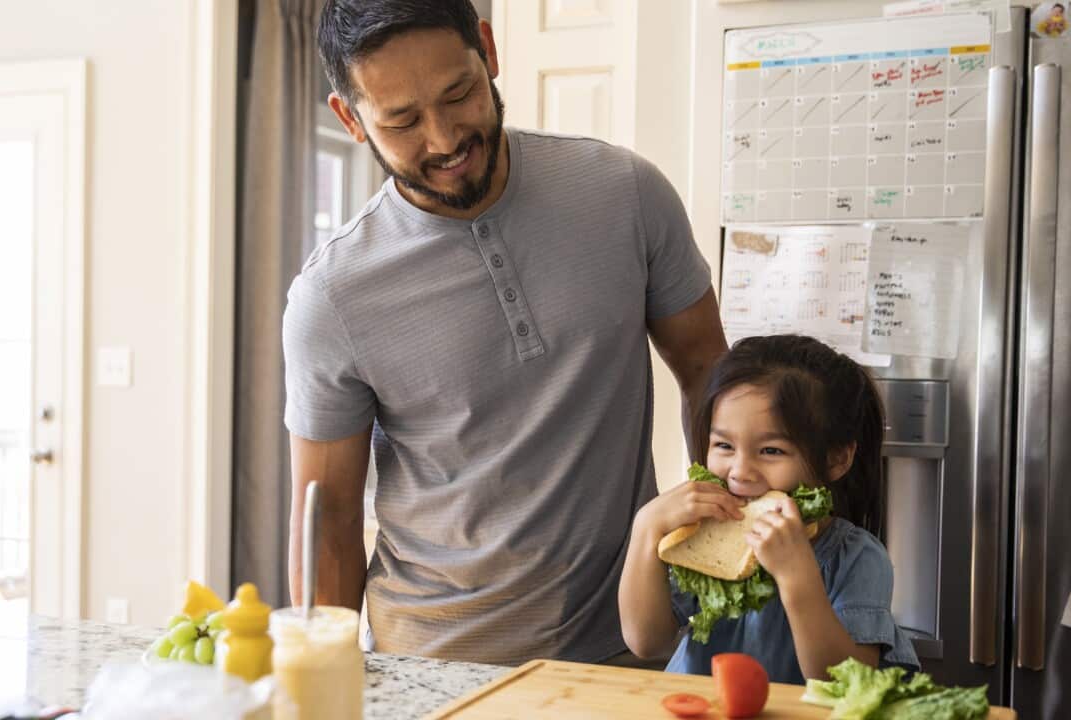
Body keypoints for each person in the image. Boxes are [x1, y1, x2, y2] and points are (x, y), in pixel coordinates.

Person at [282, 0, 727, 666]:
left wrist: (718, 562)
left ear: (486, 50)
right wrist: (325, 684)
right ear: (350, 119)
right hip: (432, 666)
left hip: (629, 651)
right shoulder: (331, 296)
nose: (443, 140)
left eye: (458, 94)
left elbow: (708, 373)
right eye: (401, 120)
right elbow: (329, 521)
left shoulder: (625, 192)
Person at [618, 335, 919, 683]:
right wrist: (646, 528)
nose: (740, 471)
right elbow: (646, 641)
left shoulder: (856, 557)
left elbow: (845, 683)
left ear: (836, 459)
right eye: (724, 445)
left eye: (771, 451)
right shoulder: (703, 533)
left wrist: (796, 575)